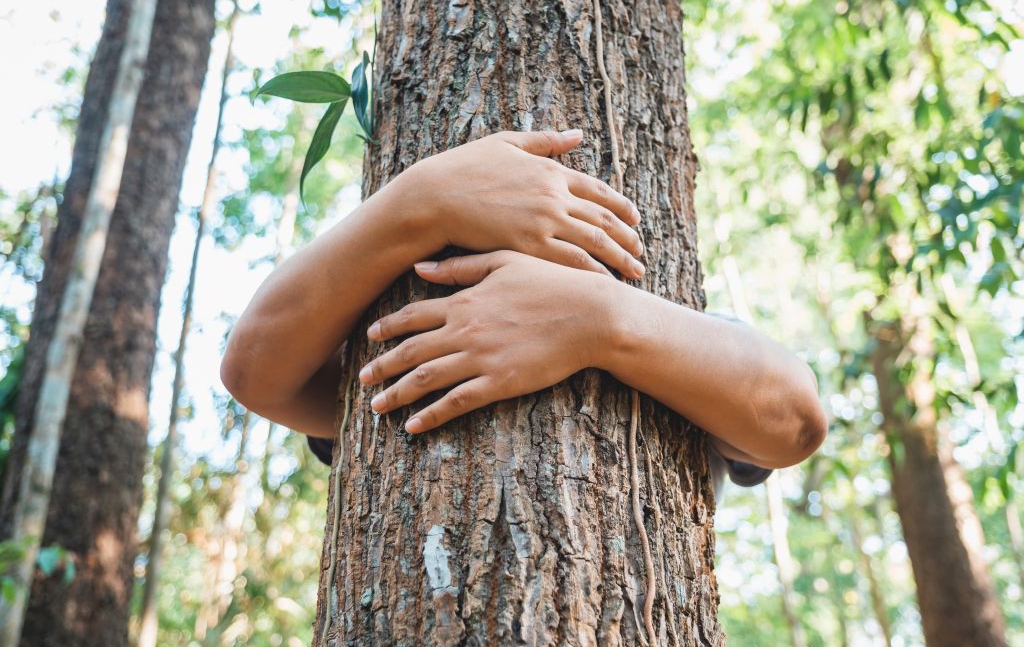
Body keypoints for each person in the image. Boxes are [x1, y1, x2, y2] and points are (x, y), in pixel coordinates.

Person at [219, 129, 828, 496]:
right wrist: (423, 201)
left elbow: (794, 420)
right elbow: (253, 370)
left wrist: (596, 317)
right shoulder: (372, 341)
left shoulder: (693, 350)